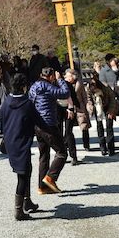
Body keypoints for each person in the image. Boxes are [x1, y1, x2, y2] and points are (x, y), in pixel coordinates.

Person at [0, 73, 39, 220]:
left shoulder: (6, 102)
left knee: (26, 170)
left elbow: (1, 121)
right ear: (24, 86)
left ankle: (27, 202)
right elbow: (38, 121)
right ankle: (18, 211)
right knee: (22, 175)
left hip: (11, 142)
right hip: (22, 142)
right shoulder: (27, 103)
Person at [28, 65, 69, 195]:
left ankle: (42, 187)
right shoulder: (47, 86)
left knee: (44, 156)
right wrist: (60, 80)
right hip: (48, 124)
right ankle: (50, 178)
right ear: (50, 76)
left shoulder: (34, 86)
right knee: (62, 152)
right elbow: (65, 93)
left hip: (37, 125)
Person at [86, 72, 118, 156]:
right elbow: (89, 99)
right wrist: (90, 107)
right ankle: (103, 148)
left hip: (108, 104)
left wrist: (111, 111)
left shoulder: (105, 87)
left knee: (109, 127)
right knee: (99, 126)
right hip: (97, 106)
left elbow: (112, 99)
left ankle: (111, 148)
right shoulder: (88, 88)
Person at [63, 66, 91, 155]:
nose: (66, 78)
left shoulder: (80, 84)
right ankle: (67, 144)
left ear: (73, 76)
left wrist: (88, 105)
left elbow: (85, 96)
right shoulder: (64, 84)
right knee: (68, 129)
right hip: (70, 108)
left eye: (67, 76)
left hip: (80, 107)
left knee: (84, 126)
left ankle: (86, 144)